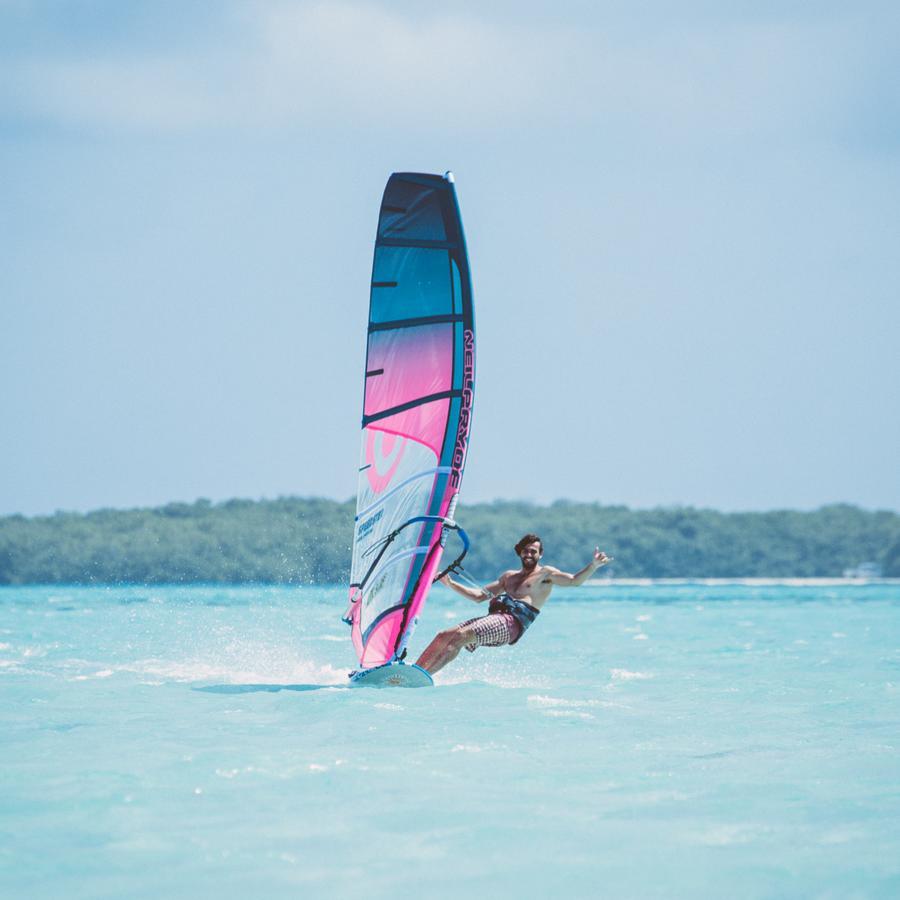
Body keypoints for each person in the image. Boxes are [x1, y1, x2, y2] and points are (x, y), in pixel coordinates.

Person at [415, 533, 612, 675]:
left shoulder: (546, 575)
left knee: (459, 636)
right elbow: (478, 596)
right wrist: (449, 583)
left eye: (534, 551)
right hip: (493, 620)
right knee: (444, 636)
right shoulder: (508, 577)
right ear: (520, 553)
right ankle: (415, 671)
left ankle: (425, 676)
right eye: (526, 551)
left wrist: (593, 566)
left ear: (540, 554)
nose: (529, 554)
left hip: (511, 625)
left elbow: (574, 581)